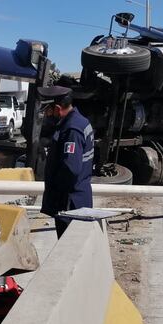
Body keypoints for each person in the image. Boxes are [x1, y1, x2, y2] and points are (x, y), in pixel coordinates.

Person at [38, 86, 94, 237]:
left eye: (48, 110)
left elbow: (71, 169)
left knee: (69, 250)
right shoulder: (80, 121)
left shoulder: (71, 130)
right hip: (77, 199)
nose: (47, 115)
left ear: (57, 108)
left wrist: (56, 192)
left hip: (70, 204)